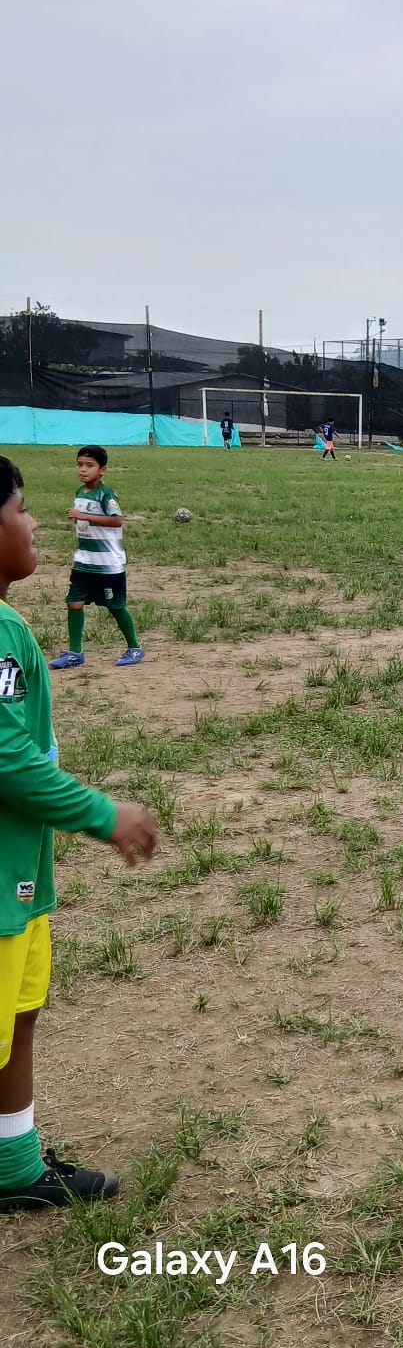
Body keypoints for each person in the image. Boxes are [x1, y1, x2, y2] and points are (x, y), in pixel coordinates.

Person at [0, 455, 159, 1211]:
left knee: (20, 1015)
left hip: (20, 874)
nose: (32, 522)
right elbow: (6, 757)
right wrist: (103, 814)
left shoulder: (6, 627)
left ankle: (14, 1166)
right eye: (19, 510)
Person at [48, 446, 144, 671]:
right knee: (74, 603)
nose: (83, 469)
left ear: (102, 470)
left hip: (108, 563)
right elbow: (84, 522)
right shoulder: (80, 492)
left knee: (115, 606)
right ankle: (75, 653)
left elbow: (117, 521)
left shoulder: (106, 494)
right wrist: (81, 520)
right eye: (79, 465)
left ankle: (135, 647)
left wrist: (84, 516)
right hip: (84, 561)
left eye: (89, 465)